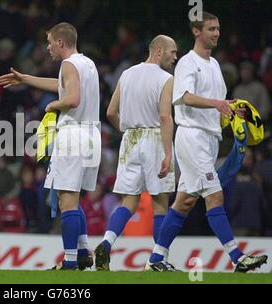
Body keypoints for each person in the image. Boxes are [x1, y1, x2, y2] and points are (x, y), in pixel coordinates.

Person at [146, 12, 268, 272]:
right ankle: (238, 257)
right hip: (192, 136)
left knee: (184, 202)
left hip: (209, 138)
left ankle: (155, 259)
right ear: (196, 31)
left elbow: (216, 107)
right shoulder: (188, 63)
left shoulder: (213, 65)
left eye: (218, 29)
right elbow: (184, 96)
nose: (216, 33)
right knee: (215, 195)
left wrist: (233, 111)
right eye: (211, 28)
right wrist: (218, 104)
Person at [0, 22, 100, 270]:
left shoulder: (68, 64)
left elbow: (72, 98)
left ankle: (69, 263)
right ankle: (84, 251)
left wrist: (53, 106)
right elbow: (62, 86)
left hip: (73, 135)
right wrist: (26, 79)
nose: (48, 47)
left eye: (49, 42)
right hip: (91, 134)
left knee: (66, 200)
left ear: (60, 43)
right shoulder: (87, 63)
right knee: (73, 198)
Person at [94, 35, 177, 271]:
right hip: (154, 138)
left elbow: (110, 111)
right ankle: (158, 260)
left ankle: (106, 243)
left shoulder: (127, 73)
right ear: (158, 51)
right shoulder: (166, 79)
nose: (175, 57)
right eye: (172, 52)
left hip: (130, 139)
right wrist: (168, 152)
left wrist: (127, 128)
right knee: (160, 202)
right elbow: (164, 116)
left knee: (128, 200)